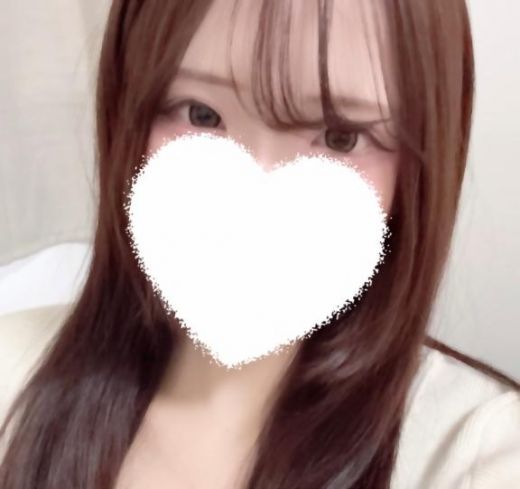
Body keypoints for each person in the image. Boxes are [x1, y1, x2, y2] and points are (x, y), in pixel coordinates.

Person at [0, 0, 519, 488]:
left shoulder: (475, 451)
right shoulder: (13, 367)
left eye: (340, 137)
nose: (255, 194)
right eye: (201, 114)